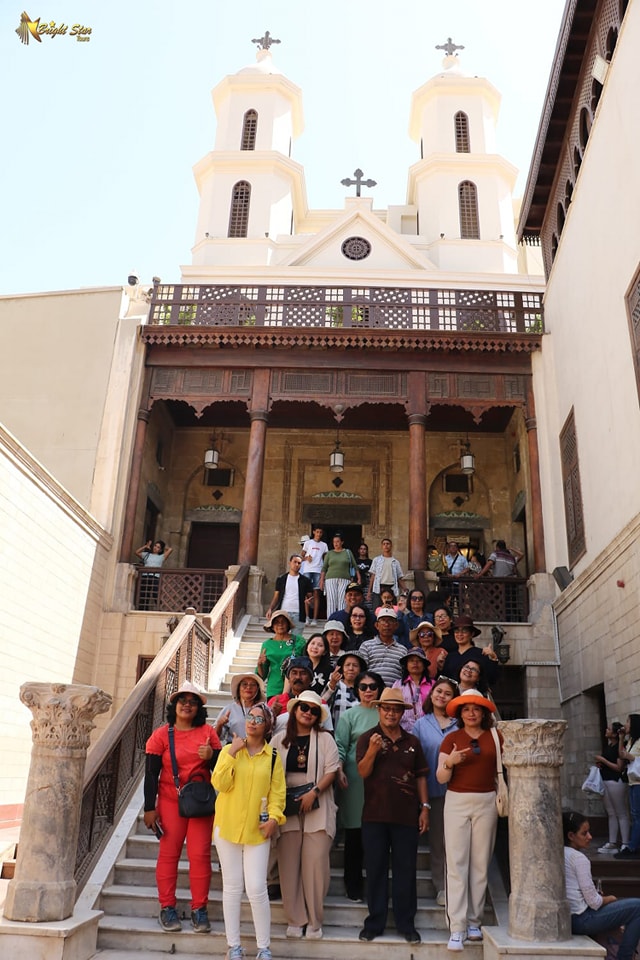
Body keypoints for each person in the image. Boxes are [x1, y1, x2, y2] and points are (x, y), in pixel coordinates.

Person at [143, 681, 221, 934]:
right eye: (182, 700)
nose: (187, 705)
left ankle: (200, 909)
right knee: (168, 855)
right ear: (174, 705)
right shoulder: (161, 735)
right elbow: (151, 774)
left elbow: (220, 772)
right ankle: (167, 907)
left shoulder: (208, 733)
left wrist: (213, 757)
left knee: (200, 856)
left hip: (200, 803)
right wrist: (149, 808)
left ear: (198, 707)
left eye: (193, 701)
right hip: (169, 802)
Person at [213, 703, 286, 960]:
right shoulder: (229, 751)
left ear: (267, 726)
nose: (253, 721)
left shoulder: (273, 756)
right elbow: (219, 783)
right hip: (228, 826)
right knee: (232, 887)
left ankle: (263, 948)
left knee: (256, 887)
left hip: (258, 829)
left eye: (259, 718)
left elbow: (277, 794)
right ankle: (233, 946)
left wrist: (275, 819)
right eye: (250, 716)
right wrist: (232, 752)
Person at [356, 687, 429, 943]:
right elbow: (363, 772)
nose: (391, 713)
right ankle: (374, 923)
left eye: (396, 709)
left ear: (401, 712)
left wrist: (425, 808)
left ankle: (406, 924)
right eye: (386, 708)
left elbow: (421, 776)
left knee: (405, 870)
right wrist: (373, 751)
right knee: (375, 869)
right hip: (374, 815)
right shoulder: (367, 738)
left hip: (406, 816)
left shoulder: (412, 742)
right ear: (379, 709)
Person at [437, 687, 502, 951]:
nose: (472, 713)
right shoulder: (451, 738)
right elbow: (441, 777)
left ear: (484, 712)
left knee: (480, 862)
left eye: (476, 708)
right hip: (456, 801)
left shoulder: (496, 737)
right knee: (457, 863)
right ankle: (457, 927)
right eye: (466, 709)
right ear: (460, 714)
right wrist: (450, 762)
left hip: (487, 800)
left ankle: (475, 921)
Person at [272, 690, 339, 940]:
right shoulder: (278, 740)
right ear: (295, 710)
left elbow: (332, 770)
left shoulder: (325, 739)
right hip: (287, 807)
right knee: (289, 865)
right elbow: (269, 772)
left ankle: (314, 921)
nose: (308, 713)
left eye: (313, 710)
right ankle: (295, 918)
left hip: (318, 804)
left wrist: (314, 792)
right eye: (304, 708)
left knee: (316, 863)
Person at [335, 670, 385, 901]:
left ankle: (376, 885)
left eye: (372, 686)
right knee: (354, 835)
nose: (368, 691)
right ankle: (353, 884)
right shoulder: (349, 716)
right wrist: (340, 770)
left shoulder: (386, 714)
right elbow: (341, 745)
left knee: (377, 835)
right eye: (363, 687)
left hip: (381, 780)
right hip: (355, 780)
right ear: (357, 690)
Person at [563, 810, 640, 960]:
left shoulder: (560, 853)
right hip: (581, 920)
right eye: (584, 833)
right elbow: (594, 902)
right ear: (571, 836)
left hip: (569, 918)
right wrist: (610, 899)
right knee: (638, 908)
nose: (590, 837)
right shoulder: (578, 858)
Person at [414, 677, 460, 907]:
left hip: (460, 791)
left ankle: (459, 887)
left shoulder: (460, 724)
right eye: (438, 691)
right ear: (431, 695)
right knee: (438, 842)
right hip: (433, 791)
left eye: (447, 693)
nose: (442, 696)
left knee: (458, 843)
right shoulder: (421, 725)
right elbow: (416, 760)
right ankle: (441, 887)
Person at [595, 721, 630, 853]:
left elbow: (619, 767)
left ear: (615, 734)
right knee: (611, 813)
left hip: (616, 780)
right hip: (606, 780)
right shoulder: (610, 746)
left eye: (609, 729)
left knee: (621, 812)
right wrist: (601, 764)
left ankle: (625, 843)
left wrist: (603, 761)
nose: (606, 730)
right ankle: (612, 842)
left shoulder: (619, 747)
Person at [256, 611, 306, 699]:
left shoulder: (299, 641)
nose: (280, 624)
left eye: (283, 621)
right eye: (276, 622)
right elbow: (262, 676)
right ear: (272, 626)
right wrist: (259, 664)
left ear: (288, 624)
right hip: (274, 688)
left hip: (295, 687)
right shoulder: (267, 644)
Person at [441, 616, 500, 688]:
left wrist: (494, 658)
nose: (460, 634)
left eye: (464, 631)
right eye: (457, 631)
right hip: (454, 696)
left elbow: (492, 679)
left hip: (473, 695)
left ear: (472, 634)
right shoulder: (450, 656)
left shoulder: (481, 654)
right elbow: (445, 680)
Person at [357, 608, 407, 686]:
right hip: (371, 692)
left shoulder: (403, 650)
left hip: (393, 694)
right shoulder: (366, 646)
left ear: (396, 625)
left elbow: (403, 675)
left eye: (390, 621)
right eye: (383, 620)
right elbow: (361, 672)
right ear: (376, 625)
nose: (386, 624)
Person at [214, 673, 266, 744]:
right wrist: (219, 724)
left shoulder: (263, 709)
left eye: (253, 685)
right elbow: (215, 738)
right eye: (244, 684)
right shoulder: (229, 709)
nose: (248, 687)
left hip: (256, 750)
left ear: (258, 689)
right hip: (234, 750)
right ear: (238, 688)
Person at [264, 555, 313, 630]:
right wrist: (270, 609)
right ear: (289, 563)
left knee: (296, 639)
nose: (297, 565)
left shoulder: (306, 581)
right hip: (284, 612)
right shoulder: (281, 579)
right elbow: (276, 596)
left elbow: (310, 597)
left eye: (299, 563)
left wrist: (309, 603)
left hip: (299, 613)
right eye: (295, 562)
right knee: (283, 637)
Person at [392, 647, 433, 734]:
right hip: (403, 730)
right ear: (406, 665)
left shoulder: (433, 685)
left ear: (424, 665)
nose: (415, 663)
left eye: (419, 660)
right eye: (411, 660)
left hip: (429, 730)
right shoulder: (398, 685)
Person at [615, 713, 640, 858]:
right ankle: (633, 845)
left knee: (637, 816)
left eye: (628, 722)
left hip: (639, 782)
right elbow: (621, 754)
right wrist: (621, 739)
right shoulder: (631, 741)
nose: (626, 724)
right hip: (632, 781)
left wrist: (631, 757)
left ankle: (632, 847)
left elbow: (628, 757)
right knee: (635, 815)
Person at [323, 651, 368, 728]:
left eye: (355, 665)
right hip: (335, 733)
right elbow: (322, 703)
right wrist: (332, 685)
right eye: (347, 665)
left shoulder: (366, 688)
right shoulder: (335, 685)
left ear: (360, 669)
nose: (351, 668)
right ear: (342, 668)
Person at [319, 533, 360, 616]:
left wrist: (359, 578)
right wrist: (321, 580)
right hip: (330, 579)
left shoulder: (347, 552)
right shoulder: (329, 553)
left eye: (337, 541)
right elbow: (324, 568)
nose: (336, 544)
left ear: (342, 542)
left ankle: (342, 620)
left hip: (345, 579)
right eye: (334, 542)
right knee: (331, 601)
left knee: (342, 600)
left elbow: (355, 566)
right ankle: (331, 621)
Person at [366, 538, 406, 610]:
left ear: (391, 546)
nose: (386, 546)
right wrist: (369, 591)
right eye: (384, 544)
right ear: (381, 546)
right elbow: (373, 576)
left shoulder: (395, 562)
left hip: (391, 588)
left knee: (392, 608)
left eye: (388, 544)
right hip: (379, 587)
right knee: (378, 608)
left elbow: (399, 577)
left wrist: (405, 589)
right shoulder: (376, 560)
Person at [300, 527, 328, 625]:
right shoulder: (308, 543)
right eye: (317, 532)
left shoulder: (324, 545)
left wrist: (324, 572)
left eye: (320, 532)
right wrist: (306, 558)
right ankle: (307, 617)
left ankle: (315, 618)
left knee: (317, 594)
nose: (319, 534)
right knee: (307, 594)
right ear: (313, 532)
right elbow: (300, 557)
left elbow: (326, 559)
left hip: (318, 570)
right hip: (307, 570)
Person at [136, 539, 173, 610]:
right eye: (155, 546)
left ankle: (159, 609)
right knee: (144, 594)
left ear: (160, 549)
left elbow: (170, 549)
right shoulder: (147, 555)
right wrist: (146, 546)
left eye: (158, 547)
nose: (155, 548)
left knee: (155, 593)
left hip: (155, 577)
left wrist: (164, 547)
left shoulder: (161, 557)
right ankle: (143, 609)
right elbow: (136, 552)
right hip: (145, 576)